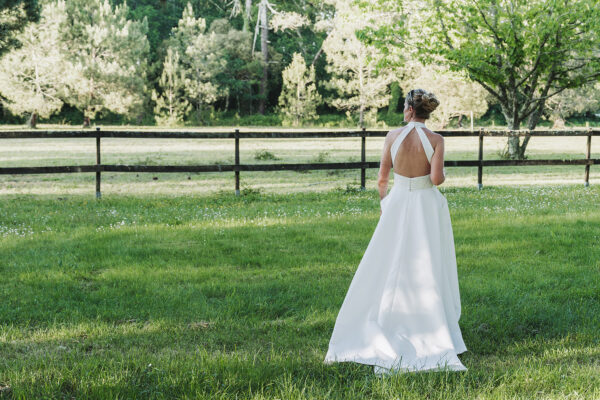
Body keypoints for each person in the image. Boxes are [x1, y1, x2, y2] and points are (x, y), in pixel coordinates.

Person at [323, 89, 467, 374]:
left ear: (409, 110)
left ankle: (383, 318)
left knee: (388, 260)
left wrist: (384, 204)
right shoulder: (436, 140)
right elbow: (437, 180)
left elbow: (382, 178)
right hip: (425, 206)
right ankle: (431, 326)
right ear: (426, 112)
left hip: (398, 202)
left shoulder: (392, 136)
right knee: (426, 263)